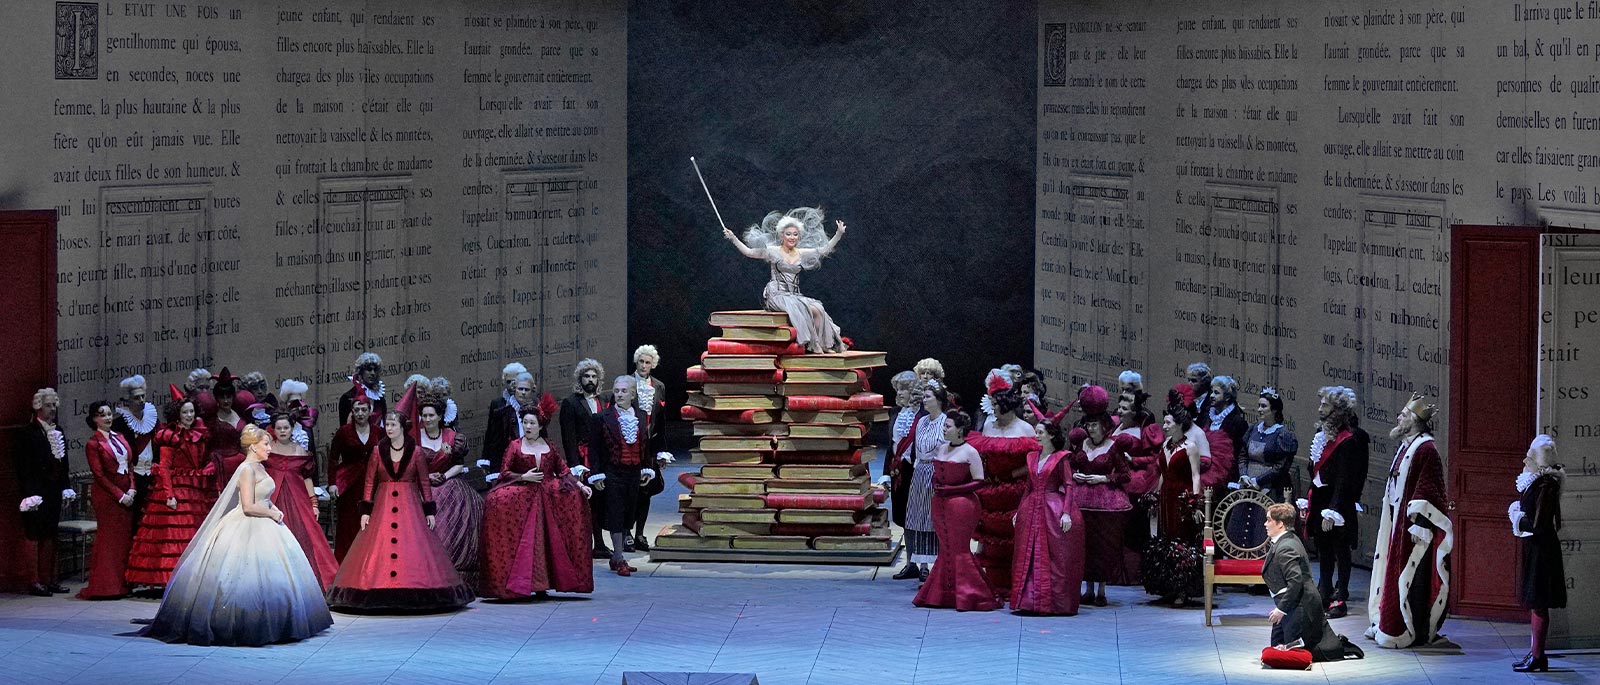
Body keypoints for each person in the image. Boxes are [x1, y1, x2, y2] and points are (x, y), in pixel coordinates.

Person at [143, 424, 333, 646]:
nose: (269, 448)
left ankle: (280, 621)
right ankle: (244, 622)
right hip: (249, 522)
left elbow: (263, 497)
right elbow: (248, 506)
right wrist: (272, 513)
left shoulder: (260, 467)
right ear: (253, 447)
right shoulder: (246, 469)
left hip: (267, 523)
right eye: (265, 444)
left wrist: (272, 509)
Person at [326, 412, 473, 612]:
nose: (389, 428)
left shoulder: (416, 452)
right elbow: (369, 481)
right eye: (387, 425)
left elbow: (423, 482)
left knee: (411, 544)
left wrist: (429, 509)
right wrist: (366, 509)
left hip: (409, 505)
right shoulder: (378, 451)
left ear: (402, 427)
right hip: (383, 504)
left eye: (393, 425)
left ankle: (412, 586)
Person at [480, 402, 594, 599]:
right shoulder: (515, 446)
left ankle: (550, 582)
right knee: (498, 503)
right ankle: (522, 583)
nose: (528, 426)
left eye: (532, 423)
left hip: (549, 494)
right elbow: (504, 472)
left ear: (540, 426)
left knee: (553, 533)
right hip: (524, 494)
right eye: (525, 422)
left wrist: (580, 486)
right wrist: (523, 476)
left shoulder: (549, 445)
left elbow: (563, 470)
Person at [1367, 394, 1453, 648]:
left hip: (1414, 528)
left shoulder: (1426, 449)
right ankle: (1390, 622)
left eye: (1403, 415)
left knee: (1413, 577)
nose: (1398, 418)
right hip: (1397, 522)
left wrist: (1421, 524)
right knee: (1394, 572)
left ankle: (1411, 629)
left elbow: (1430, 488)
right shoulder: (1407, 446)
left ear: (1415, 420)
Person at [722, 207, 848, 353]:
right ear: (782, 235)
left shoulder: (801, 253)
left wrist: (838, 234)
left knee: (818, 309)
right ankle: (813, 344)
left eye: (795, 234)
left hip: (794, 295)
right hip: (776, 294)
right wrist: (733, 238)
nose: (792, 237)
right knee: (804, 308)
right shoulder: (773, 251)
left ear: (799, 237)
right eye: (788, 234)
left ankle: (824, 344)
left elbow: (824, 250)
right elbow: (749, 252)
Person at [127, 391, 214, 588]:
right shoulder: (171, 436)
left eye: (191, 411)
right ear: (177, 414)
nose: (189, 415)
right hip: (176, 489)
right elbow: (164, 467)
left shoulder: (199, 434)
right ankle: (172, 580)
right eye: (185, 412)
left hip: (195, 490)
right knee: (174, 535)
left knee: (193, 532)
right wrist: (169, 495)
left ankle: (193, 579)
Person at [913, 410, 998, 611]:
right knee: (945, 548)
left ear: (960, 430)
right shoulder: (942, 448)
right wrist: (937, 484)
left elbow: (979, 480)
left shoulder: (970, 452)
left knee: (959, 548)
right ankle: (944, 594)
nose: (943, 429)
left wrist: (952, 490)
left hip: (962, 506)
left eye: (947, 426)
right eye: (944, 425)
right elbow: (936, 474)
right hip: (940, 504)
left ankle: (971, 594)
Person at [1261, 503, 1364, 668]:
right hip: (1292, 604)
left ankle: (1338, 647)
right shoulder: (1287, 539)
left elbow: (1295, 581)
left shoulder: (1286, 547)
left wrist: (1281, 609)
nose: (1265, 524)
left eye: (1269, 520)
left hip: (1299, 606)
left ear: (1280, 524)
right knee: (1276, 646)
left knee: (1293, 651)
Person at [1300, 386, 1368, 619]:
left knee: (1341, 549)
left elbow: (1345, 479)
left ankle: (1341, 596)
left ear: (1337, 409)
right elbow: (1315, 473)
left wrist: (1334, 510)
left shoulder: (1349, 440)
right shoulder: (1320, 435)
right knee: (1323, 548)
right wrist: (1309, 498)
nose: (1320, 408)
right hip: (1321, 499)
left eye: (1325, 405)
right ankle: (1325, 589)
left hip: (1337, 501)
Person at [1010, 416, 1085, 615]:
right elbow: (1028, 486)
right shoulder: (1031, 457)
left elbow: (1069, 485)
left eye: (1040, 432)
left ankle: (1051, 602)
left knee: (1053, 554)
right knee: (1028, 552)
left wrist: (1066, 513)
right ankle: (1029, 601)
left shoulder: (1061, 457)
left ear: (1051, 435)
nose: (1036, 435)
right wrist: (1019, 510)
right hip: (1031, 508)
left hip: (1052, 508)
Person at [969, 374, 1035, 598]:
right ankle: (994, 585)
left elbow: (1033, 462)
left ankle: (1015, 585)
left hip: (1015, 493)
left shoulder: (1025, 429)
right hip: (992, 492)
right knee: (992, 540)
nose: (993, 409)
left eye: (996, 405)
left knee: (1013, 540)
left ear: (1006, 406)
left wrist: (1011, 474)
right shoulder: (989, 426)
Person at [587, 376, 660, 576]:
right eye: (617, 390)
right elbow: (594, 449)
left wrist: (646, 469)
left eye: (624, 391)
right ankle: (619, 557)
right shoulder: (602, 417)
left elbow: (645, 445)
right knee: (616, 513)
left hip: (634, 472)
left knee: (629, 513)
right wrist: (597, 474)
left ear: (632, 394)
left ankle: (616, 557)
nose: (619, 394)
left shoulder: (641, 415)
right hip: (613, 472)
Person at [1068, 385, 1132, 606]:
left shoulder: (1113, 447)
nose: (1091, 429)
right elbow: (1069, 465)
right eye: (1088, 425)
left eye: (1095, 425)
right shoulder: (1081, 444)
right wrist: (1075, 475)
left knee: (1103, 546)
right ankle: (1088, 589)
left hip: (1106, 504)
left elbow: (1125, 475)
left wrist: (1103, 478)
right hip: (1081, 501)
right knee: (1084, 545)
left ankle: (1102, 590)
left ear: (1105, 426)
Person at [265, 413, 339, 590]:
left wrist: (314, 503)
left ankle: (308, 584)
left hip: (297, 500)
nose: (283, 431)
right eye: (279, 428)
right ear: (273, 430)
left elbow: (307, 479)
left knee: (305, 536)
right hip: (273, 500)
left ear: (292, 429)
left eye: (286, 427)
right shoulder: (267, 450)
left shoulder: (300, 451)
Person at [1510, 435, 1564, 673]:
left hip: (1542, 550)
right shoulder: (1537, 482)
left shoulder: (1545, 485)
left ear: (1539, 463)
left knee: (1539, 603)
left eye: (1530, 458)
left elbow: (1538, 524)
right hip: (1536, 548)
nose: (1525, 462)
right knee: (1535, 603)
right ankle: (1535, 653)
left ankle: (1538, 656)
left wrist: (1517, 517)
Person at [15, 388, 73, 596]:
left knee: (50, 534)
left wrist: (66, 487)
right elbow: (24, 467)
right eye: (48, 405)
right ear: (38, 407)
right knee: (34, 534)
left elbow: (64, 464)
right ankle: (34, 581)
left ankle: (50, 579)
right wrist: (30, 494)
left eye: (54, 405)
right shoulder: (27, 433)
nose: (52, 409)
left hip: (53, 490)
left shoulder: (59, 431)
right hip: (36, 493)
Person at [1143, 404, 1202, 607]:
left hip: (1181, 497)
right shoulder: (1165, 444)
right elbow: (1162, 474)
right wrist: (1156, 495)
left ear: (1179, 425)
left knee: (1181, 540)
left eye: (1168, 423)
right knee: (1165, 539)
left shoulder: (1191, 447)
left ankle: (1183, 590)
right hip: (1166, 497)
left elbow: (1196, 476)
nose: (1164, 426)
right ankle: (1168, 586)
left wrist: (1194, 502)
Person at [76, 402, 136, 599]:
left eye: (109, 414)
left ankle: (122, 584)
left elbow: (129, 465)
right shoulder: (93, 444)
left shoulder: (120, 437)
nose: (108, 418)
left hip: (127, 492)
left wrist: (132, 488)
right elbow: (99, 475)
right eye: (102, 415)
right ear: (94, 419)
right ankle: (106, 587)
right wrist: (120, 495)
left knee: (122, 541)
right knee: (108, 541)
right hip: (108, 497)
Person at [417, 397, 483, 576]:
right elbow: (410, 466)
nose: (427, 419)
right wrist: (426, 477)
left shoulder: (452, 436)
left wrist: (444, 476)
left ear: (439, 416)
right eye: (424, 416)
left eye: (431, 415)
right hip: (422, 483)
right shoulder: (414, 436)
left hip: (448, 480)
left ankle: (453, 561)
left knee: (458, 502)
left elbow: (459, 465)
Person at [899, 378, 950, 581]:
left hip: (936, 472)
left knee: (931, 519)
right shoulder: (921, 421)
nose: (924, 400)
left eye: (928, 397)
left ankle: (934, 564)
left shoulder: (945, 422)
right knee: (916, 518)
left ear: (938, 400)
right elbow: (917, 450)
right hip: (919, 472)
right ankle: (919, 564)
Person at [560, 359, 610, 558]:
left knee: (602, 501)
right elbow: (568, 437)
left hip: (602, 458)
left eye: (593, 376)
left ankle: (601, 544)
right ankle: (589, 545)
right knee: (589, 503)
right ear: (580, 379)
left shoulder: (603, 400)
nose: (590, 380)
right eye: (586, 376)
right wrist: (575, 466)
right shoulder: (571, 403)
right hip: (584, 459)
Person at [327, 389, 376, 560]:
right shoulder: (344, 432)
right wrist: (332, 483)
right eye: (357, 410)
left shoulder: (378, 431)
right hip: (348, 482)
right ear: (352, 412)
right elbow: (333, 458)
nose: (360, 413)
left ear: (370, 411)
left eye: (364, 409)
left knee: (371, 520)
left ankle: (369, 559)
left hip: (372, 482)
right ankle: (346, 561)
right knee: (348, 522)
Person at [113, 375, 158, 536]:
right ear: (128, 400)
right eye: (136, 397)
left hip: (151, 474)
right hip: (133, 477)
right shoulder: (119, 423)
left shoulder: (152, 418)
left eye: (143, 396)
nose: (141, 400)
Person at [879, 370, 919, 541]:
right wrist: (886, 474)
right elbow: (891, 446)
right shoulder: (894, 413)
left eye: (904, 389)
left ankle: (919, 554)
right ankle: (910, 553)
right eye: (898, 389)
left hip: (915, 470)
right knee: (901, 515)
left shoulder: (923, 414)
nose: (900, 393)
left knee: (916, 516)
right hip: (897, 471)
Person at [1240, 387, 1298, 499]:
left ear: (1274, 410)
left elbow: (1281, 466)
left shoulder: (1283, 434)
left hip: (1271, 487)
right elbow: (1243, 455)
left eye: (1263, 406)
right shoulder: (1253, 429)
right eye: (1259, 406)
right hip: (1248, 485)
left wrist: (1258, 481)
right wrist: (1244, 475)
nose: (1259, 409)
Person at [205, 369, 250, 493]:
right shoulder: (212, 421)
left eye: (228, 397)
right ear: (216, 399)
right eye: (222, 397)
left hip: (241, 464)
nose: (226, 401)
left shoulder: (241, 415)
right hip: (221, 466)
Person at [485, 371, 536, 478]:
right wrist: (495, 472)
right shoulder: (503, 413)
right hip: (509, 467)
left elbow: (543, 438)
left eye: (526, 390)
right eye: (520, 389)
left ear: (532, 391)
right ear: (514, 390)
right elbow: (495, 444)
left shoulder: (537, 410)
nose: (523, 392)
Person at [1202, 375, 1247, 487]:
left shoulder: (1237, 422)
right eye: (1212, 392)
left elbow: (1239, 454)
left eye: (1216, 393)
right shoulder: (1207, 416)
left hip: (1226, 475)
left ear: (1227, 397)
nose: (1211, 396)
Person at [338, 353, 387, 427]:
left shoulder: (380, 399)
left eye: (375, 370)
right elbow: (344, 428)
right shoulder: (348, 398)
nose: (373, 373)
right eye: (369, 369)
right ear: (361, 372)